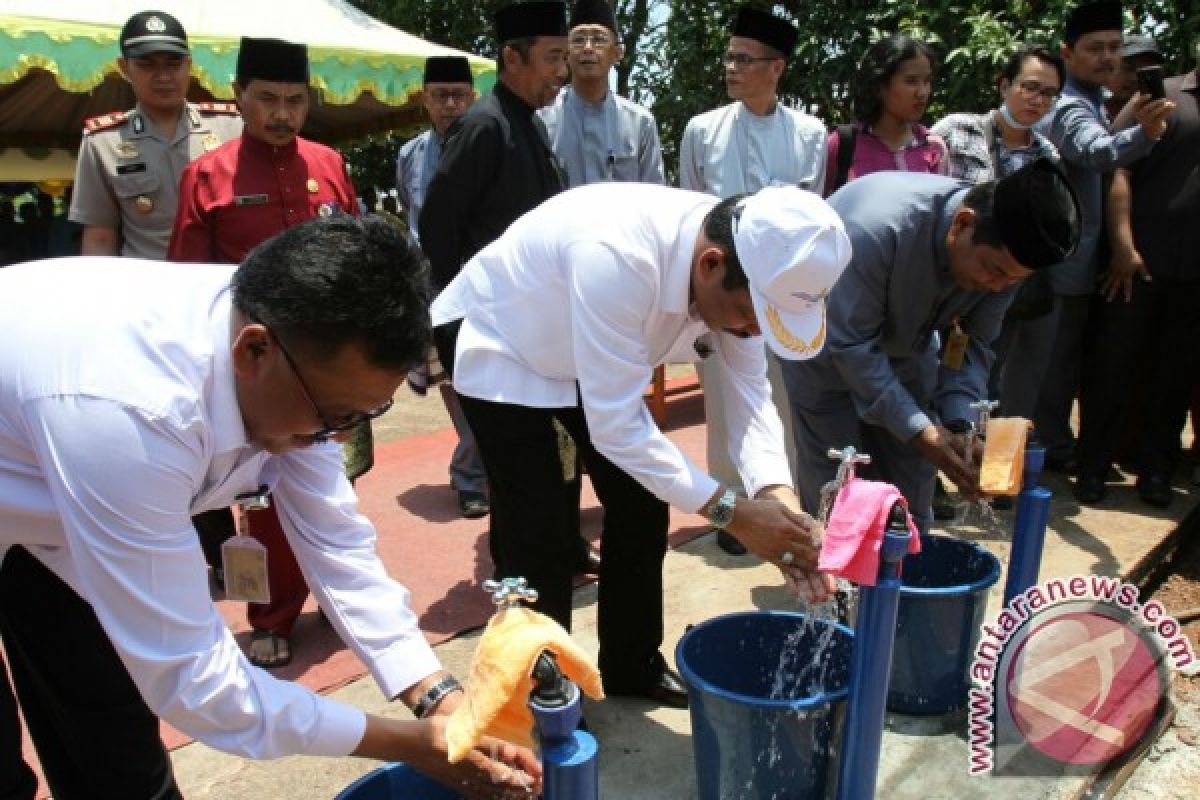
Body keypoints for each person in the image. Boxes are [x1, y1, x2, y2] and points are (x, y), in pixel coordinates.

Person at [0, 216, 542, 800]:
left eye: (363, 416)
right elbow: (201, 686)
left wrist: (437, 697)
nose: (338, 440)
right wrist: (407, 743)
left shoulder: (301, 341)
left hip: (48, 494)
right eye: (334, 418)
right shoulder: (133, 414)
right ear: (252, 349)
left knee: (112, 736)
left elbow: (338, 546)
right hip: (62, 454)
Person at [432, 182, 849, 709]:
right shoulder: (618, 255)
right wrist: (732, 514)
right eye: (748, 316)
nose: (750, 330)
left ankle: (631, 663)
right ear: (710, 265)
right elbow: (618, 428)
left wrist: (779, 501)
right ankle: (544, 688)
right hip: (502, 340)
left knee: (642, 502)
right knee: (537, 524)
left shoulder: (750, 279)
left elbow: (750, 398)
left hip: (589, 355)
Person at [168, 37, 362, 669]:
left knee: (335, 493)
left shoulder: (329, 162)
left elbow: (359, 257)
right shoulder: (208, 175)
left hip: (328, 362)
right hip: (251, 369)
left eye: (296, 101)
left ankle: (345, 601)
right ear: (239, 97)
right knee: (262, 501)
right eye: (269, 100)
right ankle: (271, 617)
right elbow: (186, 282)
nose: (283, 114)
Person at [781, 161, 1081, 533]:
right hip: (827, 359)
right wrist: (921, 431)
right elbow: (852, 346)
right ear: (963, 224)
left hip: (909, 354)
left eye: (1014, 281)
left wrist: (957, 425)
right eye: (995, 271)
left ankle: (906, 583)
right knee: (840, 494)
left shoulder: (1006, 266)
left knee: (909, 504)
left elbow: (975, 344)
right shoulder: (876, 230)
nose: (997, 287)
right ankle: (836, 589)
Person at [421, 2, 600, 575]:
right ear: (511, 56)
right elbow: (438, 227)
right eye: (551, 59)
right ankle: (519, 580)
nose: (561, 73)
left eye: (564, 61)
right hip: (496, 332)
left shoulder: (528, 123)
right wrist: (475, 310)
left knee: (561, 447)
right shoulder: (484, 126)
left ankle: (564, 549)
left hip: (542, 327)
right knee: (519, 464)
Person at [678, 5, 824, 555]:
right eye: (729, 56)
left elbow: (814, 215)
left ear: (776, 67)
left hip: (780, 295)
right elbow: (692, 208)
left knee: (780, 397)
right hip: (720, 293)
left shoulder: (810, 134)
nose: (732, 67)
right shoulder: (701, 131)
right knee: (722, 396)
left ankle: (780, 502)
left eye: (745, 58)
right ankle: (733, 506)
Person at [1029, 0, 1173, 475]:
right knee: (1053, 362)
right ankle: (1045, 447)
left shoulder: (1089, 99)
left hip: (1076, 260)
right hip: (1062, 265)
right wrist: (1145, 133)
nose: (1108, 57)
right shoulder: (1068, 103)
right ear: (1068, 53)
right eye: (1095, 49)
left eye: (1114, 47)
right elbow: (1096, 152)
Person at [1075, 38, 1200, 507]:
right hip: (1137, 267)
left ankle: (1157, 473)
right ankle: (1092, 470)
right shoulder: (1160, 93)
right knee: (1113, 367)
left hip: (1194, 277)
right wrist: (1123, 244)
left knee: (1174, 375)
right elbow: (1118, 168)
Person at [932, 46, 1063, 421]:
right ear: (1005, 85)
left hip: (998, 287)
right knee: (923, 366)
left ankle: (962, 437)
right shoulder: (955, 130)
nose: (1038, 100)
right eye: (1031, 87)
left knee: (979, 366)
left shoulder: (1047, 156)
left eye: (1049, 94)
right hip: (944, 275)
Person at [396, 55, 489, 520]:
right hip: (435, 284)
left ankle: (475, 471)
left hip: (485, 283)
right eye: (440, 95)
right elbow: (412, 216)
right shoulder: (411, 154)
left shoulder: (490, 144)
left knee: (490, 378)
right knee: (452, 380)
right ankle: (473, 477)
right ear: (425, 99)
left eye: (459, 95)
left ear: (473, 97)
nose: (450, 104)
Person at [69, 10, 242, 259]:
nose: (163, 76)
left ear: (189, 65)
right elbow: (100, 236)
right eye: (147, 64)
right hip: (148, 286)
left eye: (173, 64)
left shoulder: (231, 128)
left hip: (217, 281)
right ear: (124, 68)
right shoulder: (103, 142)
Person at [538, 0, 665, 186]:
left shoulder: (640, 123)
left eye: (599, 39)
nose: (588, 48)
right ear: (566, 52)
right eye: (579, 40)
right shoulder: (542, 118)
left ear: (617, 53)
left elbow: (654, 193)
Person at [824, 33, 947, 196]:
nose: (923, 92)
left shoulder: (933, 147)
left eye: (927, 81)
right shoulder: (843, 144)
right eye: (911, 81)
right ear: (880, 86)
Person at [1105, 34, 1166, 120]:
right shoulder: (1087, 111)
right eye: (1128, 69)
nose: (1136, 78)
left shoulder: (1167, 115)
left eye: (1147, 71)